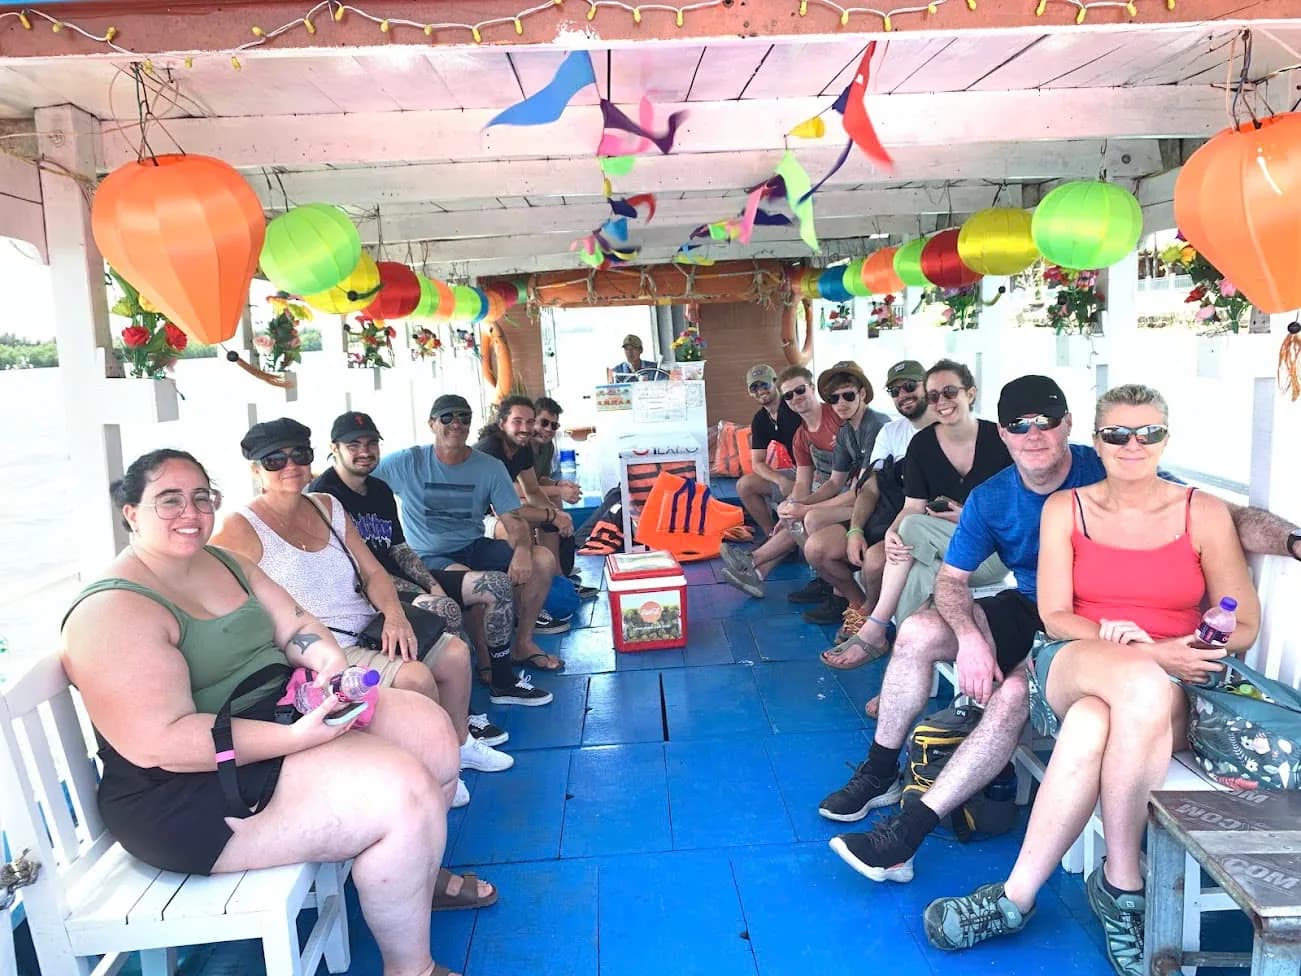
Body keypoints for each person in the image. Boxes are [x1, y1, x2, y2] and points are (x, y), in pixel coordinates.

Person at [822, 374, 1300, 888]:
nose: (1034, 434)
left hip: (1100, 639)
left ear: (1070, 426)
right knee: (916, 633)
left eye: (1046, 422)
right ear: (1000, 434)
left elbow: (1228, 519)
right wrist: (973, 641)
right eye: (1018, 425)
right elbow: (953, 581)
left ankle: (935, 844)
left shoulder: (1115, 466)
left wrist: (1293, 540)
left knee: (1015, 696)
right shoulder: (996, 496)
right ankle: (879, 769)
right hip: (1044, 613)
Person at [63, 449, 495, 976]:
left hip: (277, 717)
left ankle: (415, 878)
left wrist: (330, 670)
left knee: (428, 729)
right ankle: (412, 968)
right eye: (169, 500)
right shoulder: (112, 610)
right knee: (402, 791)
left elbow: (295, 627)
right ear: (131, 512)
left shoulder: (226, 562)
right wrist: (297, 739)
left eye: (202, 497)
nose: (191, 513)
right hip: (184, 791)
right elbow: (166, 742)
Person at [923, 384, 1260, 976]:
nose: (1133, 444)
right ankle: (1123, 882)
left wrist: (1192, 645)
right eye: (1118, 434)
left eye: (1148, 432)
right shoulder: (1067, 507)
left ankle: (1014, 897)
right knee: (1132, 684)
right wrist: (1153, 650)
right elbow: (1055, 614)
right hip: (1082, 655)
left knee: (1095, 722)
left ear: (1165, 438)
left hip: (1173, 682)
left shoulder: (1200, 511)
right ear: (1096, 441)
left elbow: (1246, 623)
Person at [211, 418, 514, 799]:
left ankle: (459, 743)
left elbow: (372, 572)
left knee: (453, 654)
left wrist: (395, 616)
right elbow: (220, 595)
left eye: (299, 455)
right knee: (414, 677)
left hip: (368, 626)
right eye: (274, 460)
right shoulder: (241, 528)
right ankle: (430, 768)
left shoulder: (327, 506)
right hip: (323, 648)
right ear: (256, 470)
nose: (290, 466)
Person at [307, 410, 551, 714]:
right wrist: (428, 593)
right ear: (334, 449)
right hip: (363, 592)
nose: (365, 452)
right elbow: (348, 571)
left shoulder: (379, 489)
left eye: (371, 443)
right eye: (354, 445)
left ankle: (502, 682)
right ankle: (463, 711)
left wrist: (433, 584)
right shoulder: (322, 497)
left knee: (496, 585)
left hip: (401, 577)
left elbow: (399, 548)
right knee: (445, 608)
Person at [820, 359, 1011, 672]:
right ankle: (904, 669)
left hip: (992, 551)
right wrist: (892, 535)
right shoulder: (922, 445)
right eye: (934, 396)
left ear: (971, 393)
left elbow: (1018, 512)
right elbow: (912, 505)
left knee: (914, 534)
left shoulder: (999, 440)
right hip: (945, 550)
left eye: (950, 392)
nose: (941, 402)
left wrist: (964, 517)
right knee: (916, 569)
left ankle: (874, 629)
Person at [376, 393, 566, 678]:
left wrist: (524, 550)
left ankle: (523, 643)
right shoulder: (407, 462)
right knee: (480, 583)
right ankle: (486, 658)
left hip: (473, 544)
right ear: (431, 424)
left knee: (542, 559)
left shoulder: (488, 467)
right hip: (429, 556)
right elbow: (356, 479)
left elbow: (512, 519)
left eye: (463, 417)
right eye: (447, 417)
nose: (456, 424)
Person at [807, 359, 932, 643]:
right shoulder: (891, 432)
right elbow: (869, 488)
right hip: (883, 512)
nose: (903, 394)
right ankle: (858, 601)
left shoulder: (942, 431)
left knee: (875, 561)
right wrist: (855, 530)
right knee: (817, 548)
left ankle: (870, 615)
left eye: (910, 386)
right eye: (896, 390)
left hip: (918, 521)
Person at [719, 364, 843, 599]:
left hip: (835, 484)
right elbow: (764, 464)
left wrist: (797, 504)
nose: (796, 399)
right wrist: (787, 490)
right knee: (751, 488)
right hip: (808, 476)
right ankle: (761, 564)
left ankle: (754, 562)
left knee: (802, 514)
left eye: (800, 392)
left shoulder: (832, 419)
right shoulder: (776, 425)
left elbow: (840, 480)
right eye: (790, 395)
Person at [794, 360, 891, 625]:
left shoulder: (877, 426)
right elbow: (834, 482)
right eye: (833, 398)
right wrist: (800, 502)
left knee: (812, 519)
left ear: (862, 393)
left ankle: (843, 597)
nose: (841, 403)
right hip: (863, 507)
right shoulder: (847, 430)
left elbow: (865, 490)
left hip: (883, 510)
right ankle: (852, 600)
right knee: (811, 529)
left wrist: (806, 509)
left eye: (848, 395)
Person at [475, 396, 598, 601]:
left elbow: (532, 489)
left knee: (549, 519)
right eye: (517, 421)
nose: (525, 428)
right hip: (478, 520)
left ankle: (557, 582)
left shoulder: (521, 448)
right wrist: (552, 513)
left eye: (530, 422)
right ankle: (525, 602)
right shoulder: (489, 451)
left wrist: (556, 515)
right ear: (502, 423)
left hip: (503, 512)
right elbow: (504, 510)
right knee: (516, 528)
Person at [735, 363, 801, 539]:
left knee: (789, 508)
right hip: (797, 471)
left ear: (776, 383)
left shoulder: (794, 407)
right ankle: (771, 535)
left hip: (816, 472)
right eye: (754, 387)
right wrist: (780, 480)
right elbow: (757, 463)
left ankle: (781, 544)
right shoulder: (760, 419)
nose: (760, 391)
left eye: (764, 384)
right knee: (745, 485)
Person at [531, 396, 583, 507]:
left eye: (554, 425)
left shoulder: (548, 446)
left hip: (528, 493)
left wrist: (559, 484)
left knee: (554, 499)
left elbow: (540, 479)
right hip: (508, 499)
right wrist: (559, 490)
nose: (549, 429)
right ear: (532, 421)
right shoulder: (521, 446)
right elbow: (520, 490)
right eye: (544, 423)